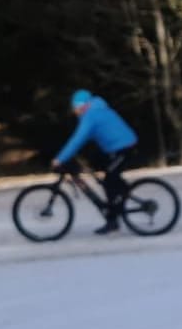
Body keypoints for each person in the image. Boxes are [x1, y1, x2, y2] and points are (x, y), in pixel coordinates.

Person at [52, 89, 140, 234]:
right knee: (103, 173)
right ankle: (120, 194)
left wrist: (60, 159)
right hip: (115, 149)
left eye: (75, 107)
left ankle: (113, 219)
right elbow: (83, 139)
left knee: (110, 178)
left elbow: (77, 140)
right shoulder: (93, 112)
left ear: (82, 106)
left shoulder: (91, 116)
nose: (74, 111)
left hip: (125, 148)